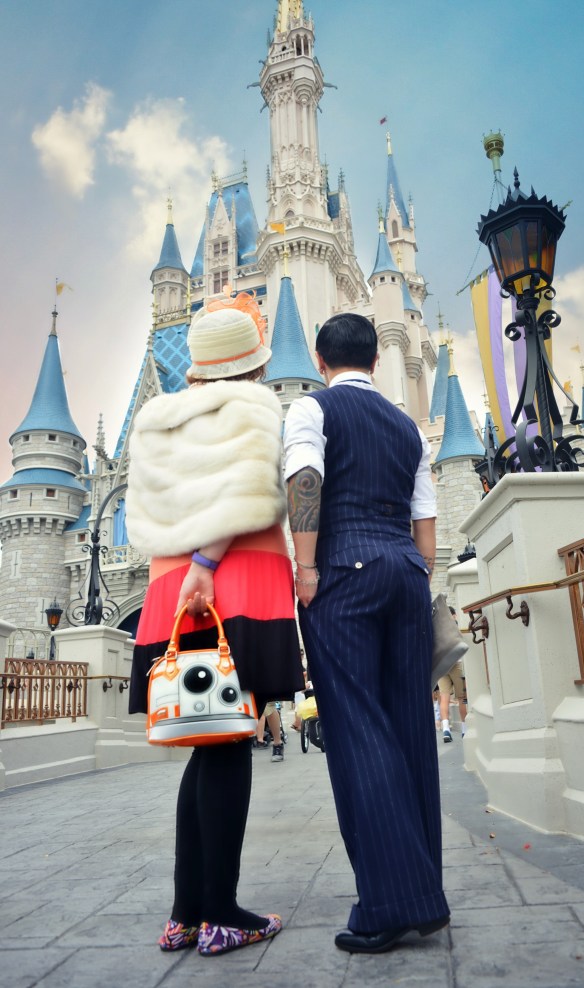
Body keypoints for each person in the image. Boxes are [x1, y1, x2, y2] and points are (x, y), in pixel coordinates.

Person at [126, 290, 304, 957]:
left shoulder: (161, 416)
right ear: (252, 366)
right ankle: (222, 912)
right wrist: (206, 561)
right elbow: (251, 488)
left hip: (171, 592)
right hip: (229, 588)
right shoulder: (254, 406)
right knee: (230, 744)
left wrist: (188, 565)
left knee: (208, 748)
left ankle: (185, 913)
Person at [283, 312, 450, 954]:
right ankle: (424, 887)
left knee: (356, 728)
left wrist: (305, 566)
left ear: (321, 361)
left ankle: (393, 904)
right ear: (376, 362)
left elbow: (305, 481)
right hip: (406, 573)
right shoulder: (407, 426)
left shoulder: (311, 409)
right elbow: (426, 523)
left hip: (341, 574)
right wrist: (411, 570)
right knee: (408, 726)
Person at [437, 608, 467, 742]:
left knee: (444, 698)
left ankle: (446, 730)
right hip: (456, 663)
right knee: (462, 698)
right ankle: (465, 730)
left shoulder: (438, 625)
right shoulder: (454, 625)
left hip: (442, 665)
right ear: (454, 615)